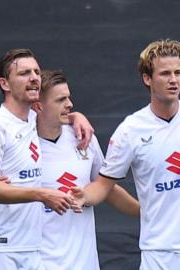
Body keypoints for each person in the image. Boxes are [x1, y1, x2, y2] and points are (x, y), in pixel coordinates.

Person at [71, 39, 180, 269]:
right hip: (159, 254)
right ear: (148, 78)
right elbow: (104, 186)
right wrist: (83, 197)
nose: (174, 80)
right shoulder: (130, 130)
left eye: (178, 72)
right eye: (165, 73)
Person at [0, 48, 93, 270]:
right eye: (24, 73)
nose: (34, 77)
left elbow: (54, 112)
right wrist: (41, 194)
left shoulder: (32, 119)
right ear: (5, 84)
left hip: (31, 250)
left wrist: (76, 117)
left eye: (36, 71)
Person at [33, 69, 140, 269]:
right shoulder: (21, 148)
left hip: (85, 264)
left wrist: (145, 212)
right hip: (40, 264)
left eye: (69, 98)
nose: (70, 104)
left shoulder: (84, 138)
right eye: (60, 100)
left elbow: (105, 188)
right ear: (38, 106)